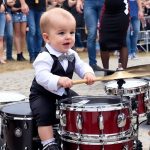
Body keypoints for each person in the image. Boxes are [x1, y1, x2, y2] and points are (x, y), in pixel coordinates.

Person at [29, 7, 95, 150]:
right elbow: (42, 76)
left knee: (81, 104)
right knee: (44, 114)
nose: (68, 37)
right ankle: (48, 143)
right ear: (47, 37)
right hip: (42, 94)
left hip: (63, 92)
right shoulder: (44, 56)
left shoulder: (71, 53)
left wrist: (87, 74)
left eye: (71, 32)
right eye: (61, 33)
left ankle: (75, 131)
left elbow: (81, 66)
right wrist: (58, 80)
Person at [99, 0, 130, 71]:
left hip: (122, 10)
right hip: (107, 11)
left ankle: (123, 71)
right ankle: (106, 71)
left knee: (122, 41)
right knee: (103, 41)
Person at [76, 0, 104, 71]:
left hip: (104, 2)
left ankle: (106, 65)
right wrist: (79, 1)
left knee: (104, 32)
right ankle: (92, 64)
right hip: (89, 2)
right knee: (92, 32)